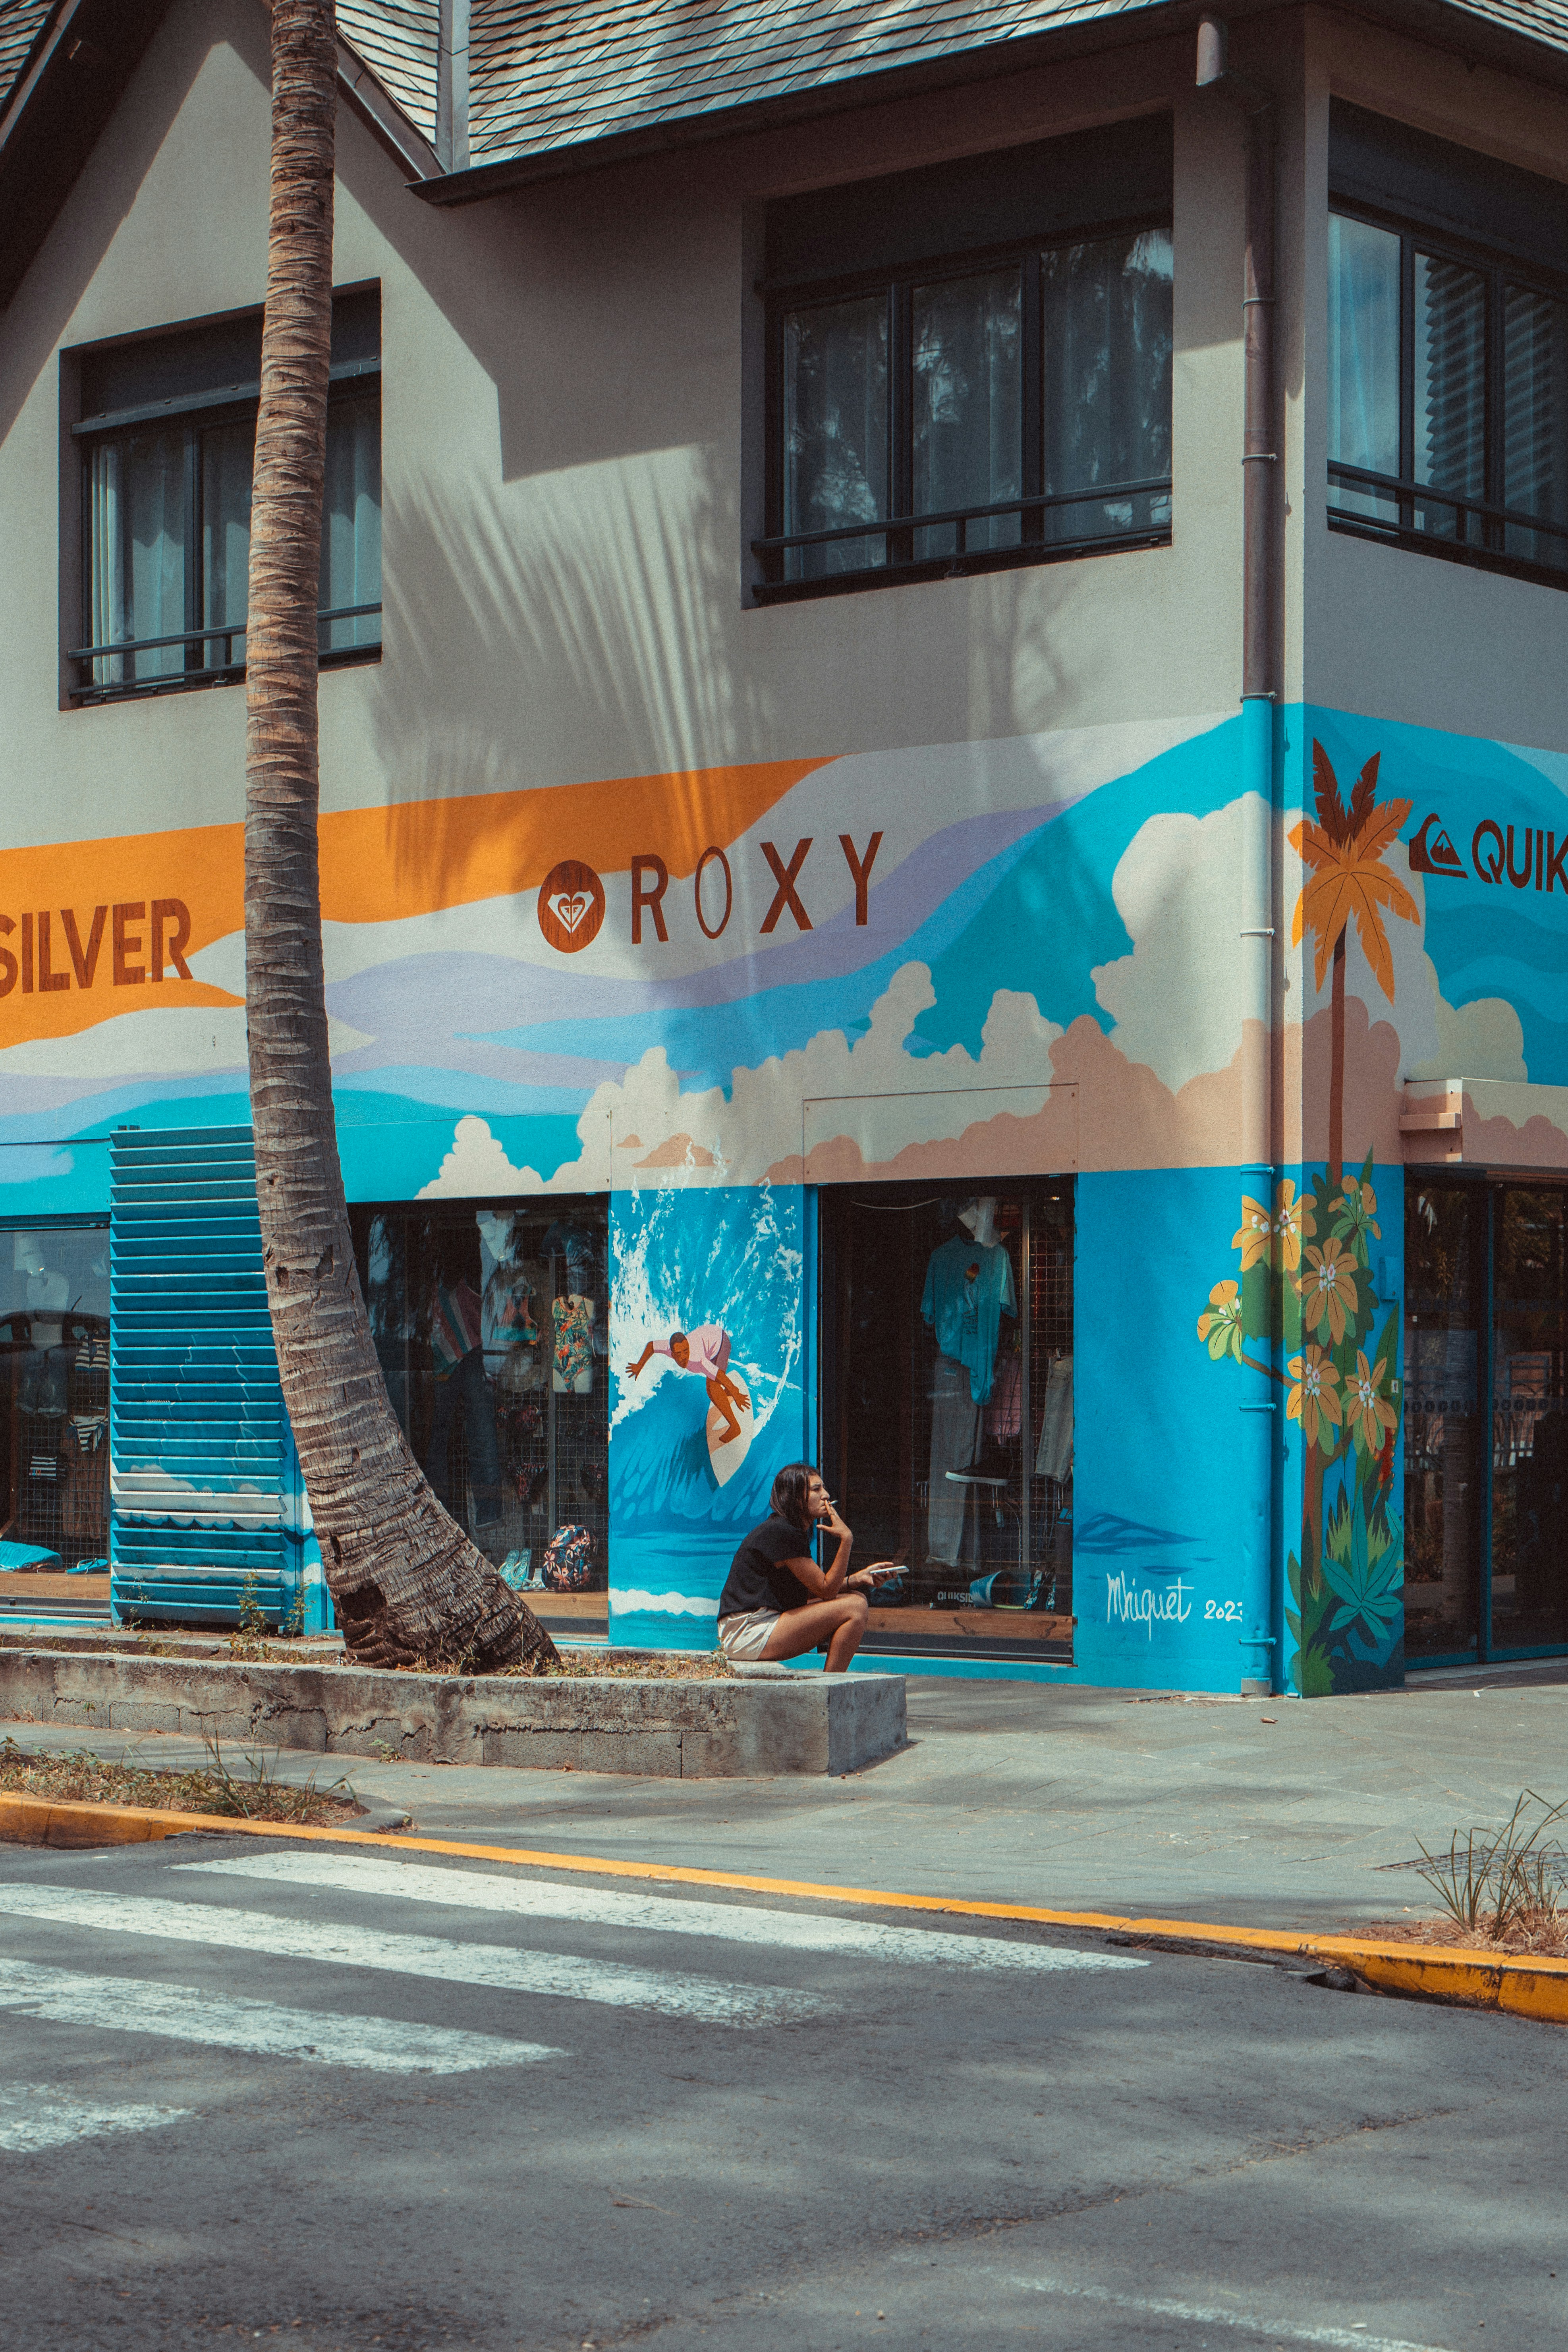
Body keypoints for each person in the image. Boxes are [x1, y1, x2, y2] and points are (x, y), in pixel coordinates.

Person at [715, 1462, 897, 1669]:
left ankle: (831, 1684)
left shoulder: (788, 1530)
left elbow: (810, 1592)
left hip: (760, 1625)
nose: (826, 1495)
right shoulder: (782, 1532)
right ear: (794, 1496)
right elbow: (827, 1590)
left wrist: (856, 1579)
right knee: (855, 1607)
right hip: (747, 1631)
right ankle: (830, 1685)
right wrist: (846, 1539)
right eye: (816, 1489)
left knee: (855, 1598)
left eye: (824, 1488)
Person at [625, 1324, 751, 1445]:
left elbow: (720, 1376)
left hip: (721, 1342)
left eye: (686, 1351)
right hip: (709, 1340)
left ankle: (735, 1427)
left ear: (689, 1347)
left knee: (712, 1387)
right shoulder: (668, 1348)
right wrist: (639, 1366)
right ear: (672, 1354)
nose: (684, 1357)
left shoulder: (697, 1359)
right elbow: (651, 1346)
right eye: (679, 1354)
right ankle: (725, 1395)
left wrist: (736, 1393)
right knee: (713, 1387)